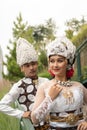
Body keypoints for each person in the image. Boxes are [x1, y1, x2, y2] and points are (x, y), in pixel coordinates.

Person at [31, 36, 87, 130]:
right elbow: (35, 119)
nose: (55, 65)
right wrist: (49, 98)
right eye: (52, 61)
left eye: (60, 61)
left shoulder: (79, 86)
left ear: (67, 63)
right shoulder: (45, 87)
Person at [0, 37, 49, 119]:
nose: (31, 68)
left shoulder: (46, 81)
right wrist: (21, 114)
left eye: (33, 64)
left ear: (37, 64)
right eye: (27, 65)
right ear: (22, 68)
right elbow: (2, 105)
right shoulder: (19, 86)